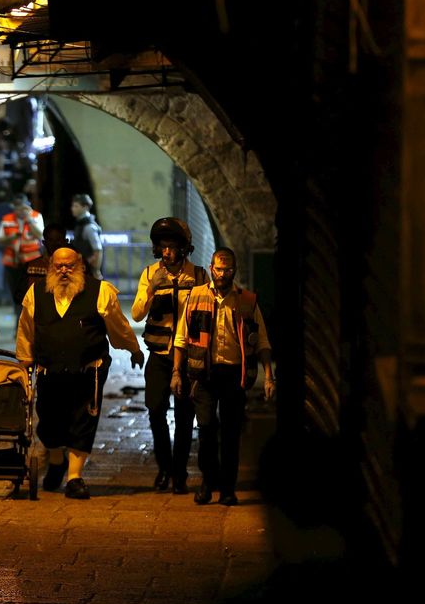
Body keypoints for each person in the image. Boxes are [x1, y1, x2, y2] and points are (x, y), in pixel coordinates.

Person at [16, 245, 145, 499]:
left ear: (80, 266)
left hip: (88, 371)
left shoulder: (100, 291)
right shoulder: (36, 293)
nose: (64, 270)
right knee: (50, 421)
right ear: (51, 267)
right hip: (48, 370)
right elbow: (26, 328)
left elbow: (118, 325)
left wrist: (133, 349)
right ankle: (56, 461)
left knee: (82, 421)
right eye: (58, 266)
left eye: (69, 266)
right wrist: (24, 359)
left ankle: (75, 477)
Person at [171, 247, 275, 506]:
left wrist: (269, 376)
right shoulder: (195, 297)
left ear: (234, 271)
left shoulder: (247, 301)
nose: (222, 274)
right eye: (218, 269)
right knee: (206, 430)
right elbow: (181, 338)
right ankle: (207, 483)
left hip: (234, 374)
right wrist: (176, 372)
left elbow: (261, 340)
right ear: (210, 268)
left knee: (230, 433)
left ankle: (228, 488)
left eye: (227, 270)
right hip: (204, 375)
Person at [131, 217, 207, 495]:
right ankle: (164, 467)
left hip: (187, 357)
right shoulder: (150, 274)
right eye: (162, 247)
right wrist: (152, 290)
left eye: (172, 247)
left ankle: (180, 473)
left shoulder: (198, 276)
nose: (166, 252)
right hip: (160, 354)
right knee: (155, 411)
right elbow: (137, 313)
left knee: (186, 416)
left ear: (184, 248)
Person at [0, 193, 44, 314]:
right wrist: (12, 237)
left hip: (32, 262)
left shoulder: (36, 216)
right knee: (16, 294)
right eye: (18, 208)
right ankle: (19, 321)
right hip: (13, 262)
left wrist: (29, 221)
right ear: (14, 207)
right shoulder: (7, 219)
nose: (20, 211)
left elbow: (40, 236)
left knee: (31, 293)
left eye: (23, 207)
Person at [21, 223, 68, 297]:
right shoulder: (32, 265)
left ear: (66, 241)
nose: (55, 244)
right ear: (44, 243)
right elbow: (21, 295)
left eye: (58, 239)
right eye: (51, 240)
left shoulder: (77, 265)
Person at [70, 193, 104, 279]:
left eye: (76, 206)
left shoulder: (89, 227)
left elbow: (98, 250)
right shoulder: (80, 225)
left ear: (85, 207)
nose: (73, 209)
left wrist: (96, 270)